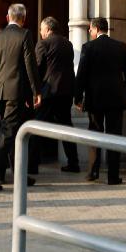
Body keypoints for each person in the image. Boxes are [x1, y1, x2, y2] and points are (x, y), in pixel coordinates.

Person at [0, 3, 42, 193]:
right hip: (16, 92)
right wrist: (36, 91)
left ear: (8, 18)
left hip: (0, 92)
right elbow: (30, 64)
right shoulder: (25, 35)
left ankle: (19, 175)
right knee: (7, 134)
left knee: (13, 134)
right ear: (23, 19)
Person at [75, 16, 126, 184]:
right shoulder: (120, 47)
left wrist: (77, 97)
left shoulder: (88, 47)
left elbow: (81, 74)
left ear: (95, 29)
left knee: (95, 133)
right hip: (116, 99)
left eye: (90, 29)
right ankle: (113, 175)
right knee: (114, 136)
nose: (89, 32)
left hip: (95, 99)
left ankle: (93, 172)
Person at [31, 17, 80, 175]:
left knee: (37, 126)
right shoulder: (68, 43)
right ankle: (74, 163)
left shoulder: (43, 44)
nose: (40, 32)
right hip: (66, 91)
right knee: (66, 126)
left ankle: (31, 164)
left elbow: (37, 68)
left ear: (47, 29)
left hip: (49, 92)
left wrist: (34, 91)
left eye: (41, 29)